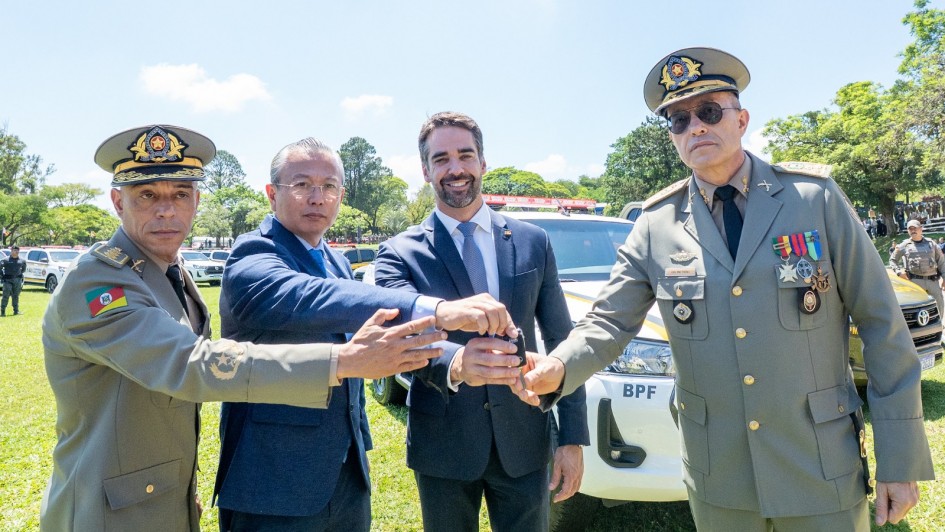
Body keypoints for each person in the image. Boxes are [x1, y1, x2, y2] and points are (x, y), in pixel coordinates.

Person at [517, 47, 934, 531]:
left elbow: (882, 325)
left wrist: (900, 460)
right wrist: (558, 367)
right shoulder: (656, 224)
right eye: (679, 120)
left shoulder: (812, 199)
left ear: (742, 119)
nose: (695, 127)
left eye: (709, 112)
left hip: (820, 464)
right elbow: (609, 321)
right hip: (719, 474)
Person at [41, 125, 448, 532]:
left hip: (162, 495)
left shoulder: (167, 271)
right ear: (118, 202)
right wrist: (344, 361)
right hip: (105, 509)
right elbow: (191, 364)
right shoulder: (98, 282)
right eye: (147, 195)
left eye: (180, 194)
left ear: (197, 201)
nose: (166, 210)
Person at [212, 137, 514, 532]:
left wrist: (456, 360)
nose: (317, 197)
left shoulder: (335, 261)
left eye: (329, 186)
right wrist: (436, 308)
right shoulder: (253, 254)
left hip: (346, 478)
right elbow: (317, 297)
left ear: (342, 196)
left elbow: (371, 331)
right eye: (302, 185)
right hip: (273, 482)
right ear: (272, 194)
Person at [373, 112, 589, 532]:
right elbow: (398, 337)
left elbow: (563, 340)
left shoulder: (533, 241)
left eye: (465, 155)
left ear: (483, 162)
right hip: (443, 444)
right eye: (441, 159)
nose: (455, 168)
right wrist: (456, 363)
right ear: (425, 171)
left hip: (525, 438)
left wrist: (572, 437)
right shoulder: (398, 253)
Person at [890, 219, 945, 318]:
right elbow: (893, 260)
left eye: (915, 228)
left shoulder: (931, 244)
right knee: (917, 307)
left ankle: (938, 324)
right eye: (910, 229)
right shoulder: (904, 245)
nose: (913, 231)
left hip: (932, 281)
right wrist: (899, 272)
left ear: (921, 229)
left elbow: (941, 262)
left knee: (939, 304)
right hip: (915, 281)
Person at [0, 244, 26, 315]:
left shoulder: (22, 260)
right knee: (6, 295)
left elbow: (23, 269)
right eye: (15, 250)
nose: (16, 252)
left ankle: (16, 311)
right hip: (7, 280)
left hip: (17, 280)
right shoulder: (5, 260)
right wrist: (2, 275)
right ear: (11, 251)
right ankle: (3, 311)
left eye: (17, 250)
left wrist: (19, 274)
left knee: (16, 296)